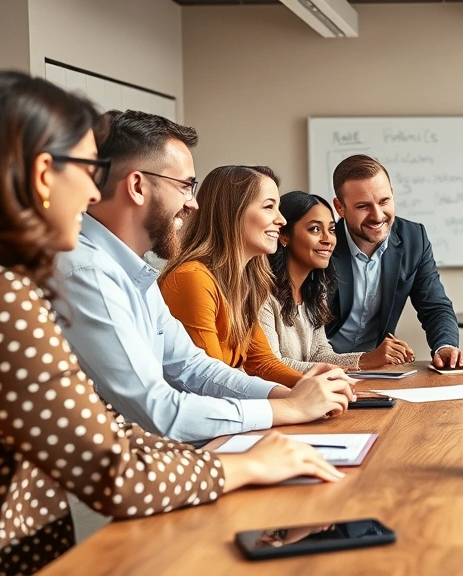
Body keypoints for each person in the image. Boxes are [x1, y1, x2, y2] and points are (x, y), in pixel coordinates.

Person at [0, 70, 345, 576]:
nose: (91, 191)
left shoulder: (11, 280)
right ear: (42, 175)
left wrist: (284, 406)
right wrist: (253, 460)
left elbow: (134, 409)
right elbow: (116, 461)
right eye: (84, 169)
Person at [55, 110, 354, 445]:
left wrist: (288, 396)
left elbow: (195, 368)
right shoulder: (89, 274)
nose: (193, 204)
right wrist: (291, 408)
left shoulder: (132, 272)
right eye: (185, 186)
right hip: (122, 479)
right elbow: (159, 411)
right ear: (137, 186)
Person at [159, 166, 327, 388]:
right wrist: (296, 396)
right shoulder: (192, 278)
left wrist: (314, 385)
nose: (282, 220)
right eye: (269, 207)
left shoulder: (247, 281)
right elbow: (211, 381)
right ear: (233, 212)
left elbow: (262, 363)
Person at [326, 154, 463, 370]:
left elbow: (435, 306)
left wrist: (445, 346)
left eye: (384, 201)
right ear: (340, 208)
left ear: (393, 195)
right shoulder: (322, 244)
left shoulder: (414, 239)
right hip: (322, 367)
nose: (377, 216)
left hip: (377, 370)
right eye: (363, 206)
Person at [261, 191, 412, 372]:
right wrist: (365, 361)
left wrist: (367, 358)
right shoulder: (262, 295)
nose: (328, 240)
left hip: (309, 394)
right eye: (315, 229)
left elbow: (321, 355)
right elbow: (272, 366)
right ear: (284, 236)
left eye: (331, 230)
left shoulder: (315, 292)